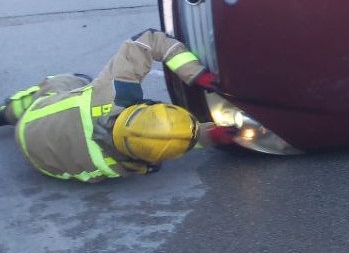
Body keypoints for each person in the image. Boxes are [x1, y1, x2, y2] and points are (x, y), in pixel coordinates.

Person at [1, 29, 218, 182]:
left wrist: (195, 72)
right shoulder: (132, 164)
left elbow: (147, 40)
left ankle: (8, 112)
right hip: (43, 165)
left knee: (74, 80)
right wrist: (211, 136)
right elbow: (166, 141)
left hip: (33, 120)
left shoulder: (109, 93)